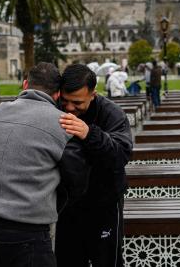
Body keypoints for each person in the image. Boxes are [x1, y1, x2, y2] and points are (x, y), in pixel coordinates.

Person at [0, 62, 89, 267]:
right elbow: (77, 182)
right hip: (28, 234)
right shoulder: (63, 124)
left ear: (25, 84)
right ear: (57, 95)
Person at [56, 64, 133, 267]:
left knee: (106, 260)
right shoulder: (55, 109)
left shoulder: (112, 113)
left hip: (104, 203)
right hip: (67, 204)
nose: (70, 108)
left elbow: (121, 154)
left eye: (77, 102)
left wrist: (89, 134)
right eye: (65, 101)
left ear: (93, 94)